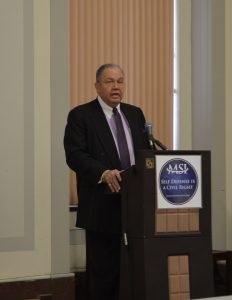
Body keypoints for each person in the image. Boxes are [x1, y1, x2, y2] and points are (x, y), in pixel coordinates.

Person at [64, 63, 151, 300]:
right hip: (101, 206)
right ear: (97, 86)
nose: (116, 87)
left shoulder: (135, 114)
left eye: (120, 81)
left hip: (134, 207)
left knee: (132, 272)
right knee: (104, 273)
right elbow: (75, 155)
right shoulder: (81, 115)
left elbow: (145, 154)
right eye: (109, 81)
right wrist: (103, 173)